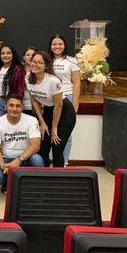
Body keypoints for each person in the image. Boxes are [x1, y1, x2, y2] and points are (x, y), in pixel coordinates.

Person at [26, 50, 76, 167]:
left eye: (40, 63)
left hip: (64, 112)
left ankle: (58, 180)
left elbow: (59, 105)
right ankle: (44, 177)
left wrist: (54, 128)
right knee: (43, 147)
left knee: (57, 147)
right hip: (48, 111)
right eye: (33, 61)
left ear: (46, 66)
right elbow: (34, 100)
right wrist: (42, 122)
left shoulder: (53, 81)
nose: (35, 65)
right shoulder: (27, 78)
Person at [0, 94, 44, 192]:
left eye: (18, 106)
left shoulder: (31, 120)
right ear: (5, 107)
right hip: (6, 159)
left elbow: (36, 146)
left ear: (22, 108)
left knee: (38, 161)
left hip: (26, 158)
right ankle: (7, 182)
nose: (14, 109)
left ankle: (27, 185)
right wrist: (2, 165)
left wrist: (18, 161)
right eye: (11, 105)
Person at [49, 34, 81, 166]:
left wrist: (75, 103)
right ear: (50, 46)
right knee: (52, 131)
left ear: (65, 45)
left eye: (60, 44)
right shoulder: (47, 60)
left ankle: (64, 162)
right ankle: (54, 161)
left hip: (67, 97)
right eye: (54, 44)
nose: (57, 47)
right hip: (51, 99)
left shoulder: (72, 61)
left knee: (65, 134)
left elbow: (77, 83)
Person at [0, 44, 25, 118]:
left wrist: (18, 104)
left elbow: (20, 90)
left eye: (8, 53)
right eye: (3, 53)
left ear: (13, 55)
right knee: (0, 125)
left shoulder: (18, 69)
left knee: (12, 125)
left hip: (12, 102)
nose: (5, 55)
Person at [21, 46, 36, 115]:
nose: (30, 57)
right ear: (24, 57)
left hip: (36, 108)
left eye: (33, 55)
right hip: (21, 108)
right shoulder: (18, 71)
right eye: (28, 55)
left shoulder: (40, 72)